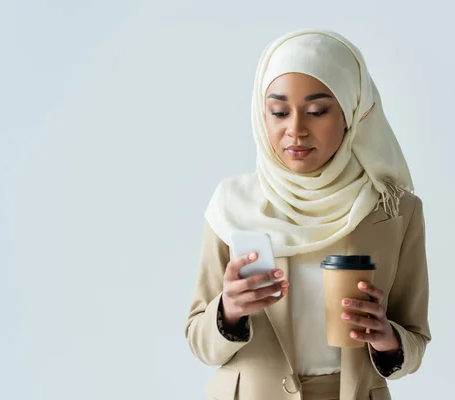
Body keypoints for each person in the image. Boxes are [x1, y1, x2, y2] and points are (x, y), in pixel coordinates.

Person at [185, 29, 431, 400]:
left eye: (317, 111)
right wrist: (229, 310)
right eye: (279, 112)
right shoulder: (232, 206)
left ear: (351, 112)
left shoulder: (394, 210)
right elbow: (199, 342)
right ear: (260, 114)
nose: (295, 130)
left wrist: (388, 339)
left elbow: (415, 338)